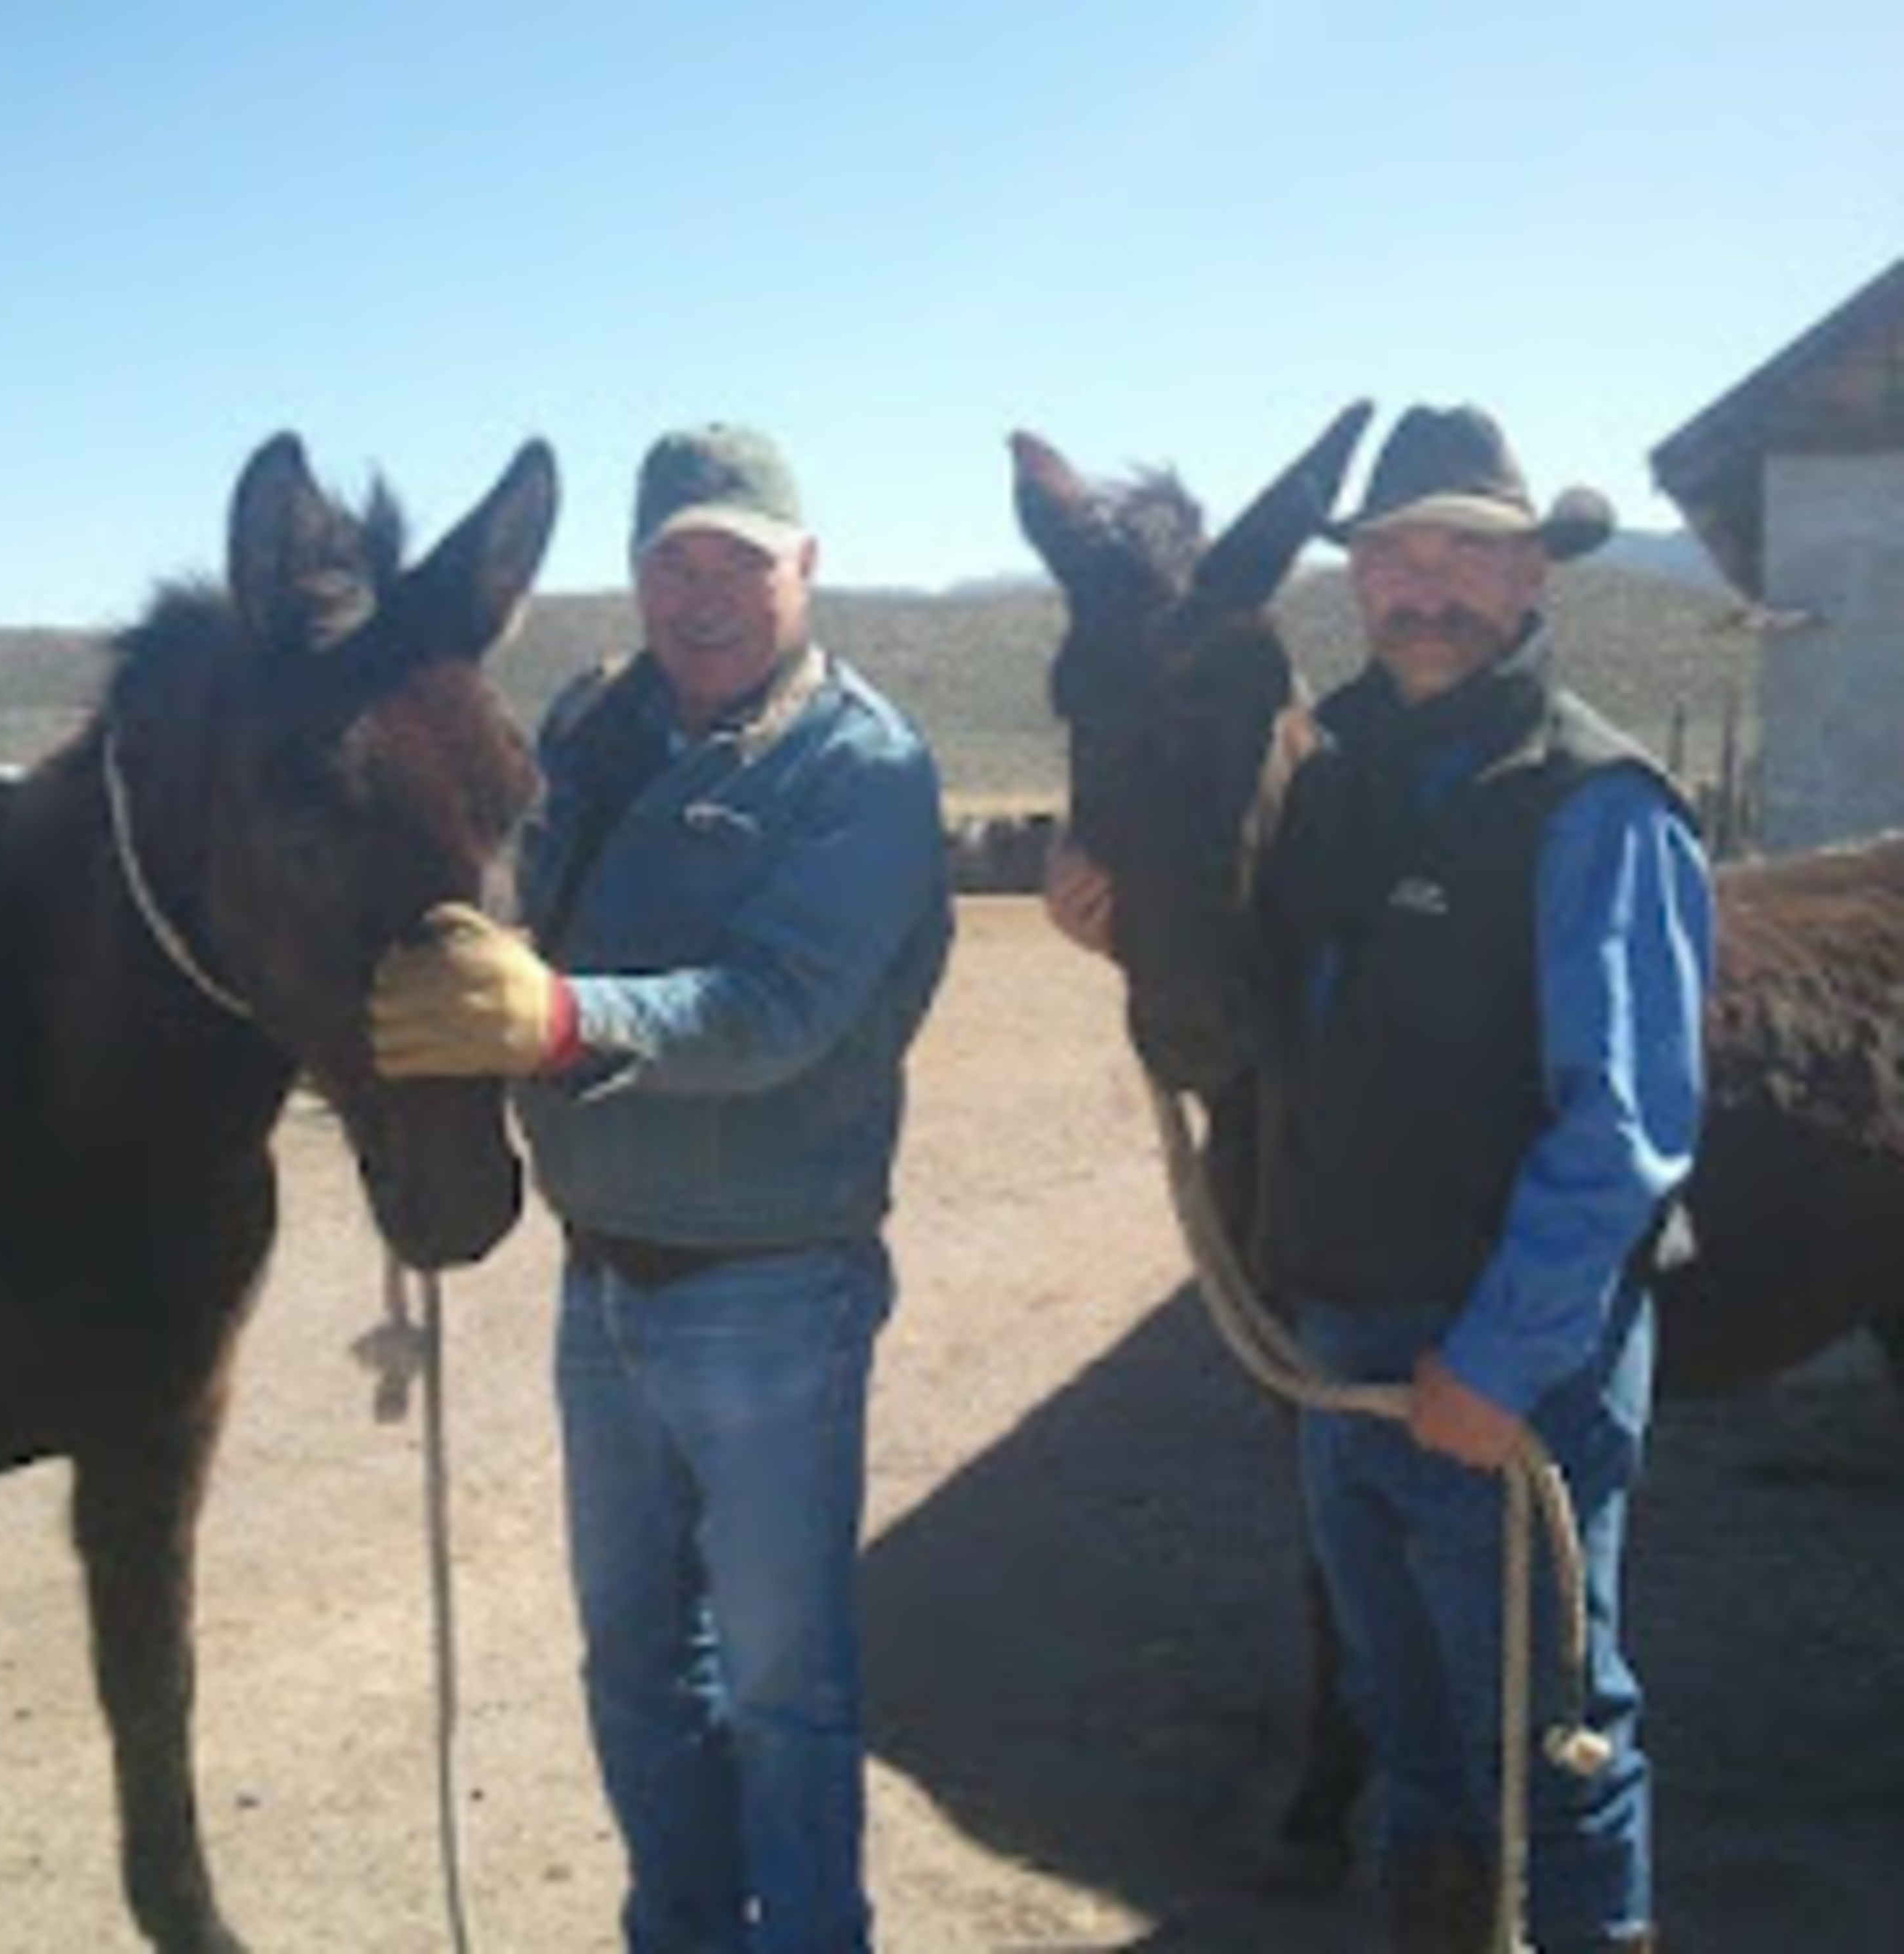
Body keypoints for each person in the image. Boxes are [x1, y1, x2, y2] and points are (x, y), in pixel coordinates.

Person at [1047, 405, 1712, 1952]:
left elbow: (1622, 1129)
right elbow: (1268, 1030)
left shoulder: (1592, 800)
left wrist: (1496, 1362)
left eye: (1465, 555)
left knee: (1554, 1740)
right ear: (1356, 582)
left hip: (1513, 1361)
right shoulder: (1329, 773)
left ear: (1532, 572)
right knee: (1409, 1730)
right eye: (1396, 556)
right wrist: (1129, 938)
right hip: (1344, 1335)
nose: (1426, 587)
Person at [369, 423, 952, 1953]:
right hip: (604, 1280)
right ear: (636, 576)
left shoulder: (864, 768)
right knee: (633, 1669)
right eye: (673, 563)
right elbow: (512, 890)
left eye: (738, 564)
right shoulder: (592, 726)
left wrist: (559, 1018)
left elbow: (779, 1010)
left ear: (804, 566)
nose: (703, 596)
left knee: (783, 1687)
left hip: (773, 1290)